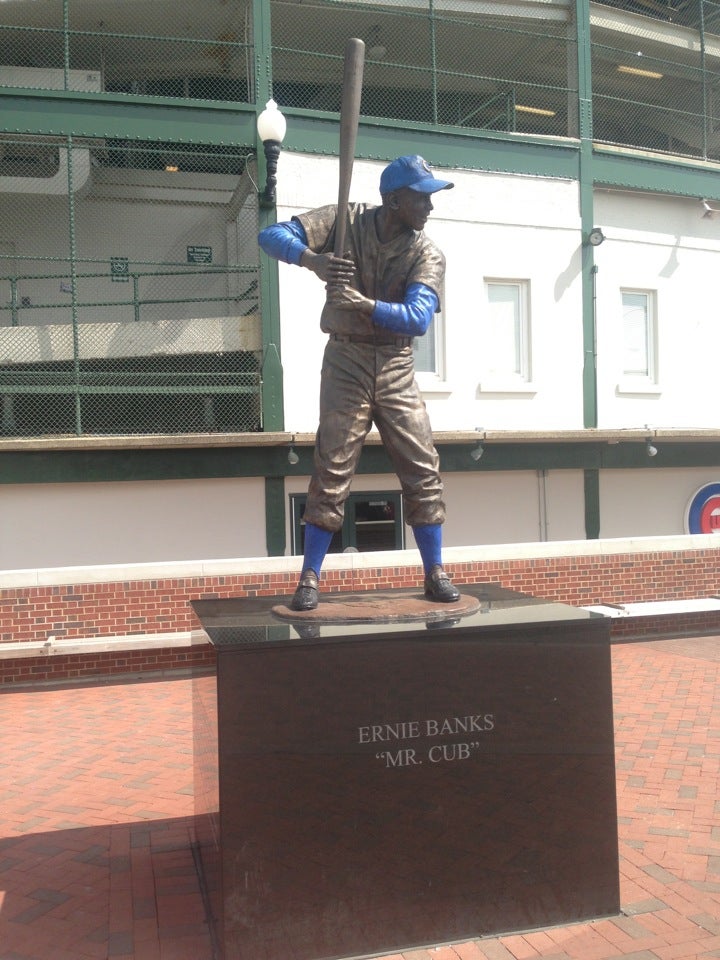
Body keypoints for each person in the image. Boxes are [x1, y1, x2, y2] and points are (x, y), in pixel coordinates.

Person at [258, 154, 459, 611]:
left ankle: (435, 571)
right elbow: (269, 236)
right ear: (394, 200)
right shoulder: (344, 221)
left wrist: (363, 303)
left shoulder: (427, 252)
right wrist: (314, 260)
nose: (430, 206)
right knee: (332, 468)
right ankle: (309, 576)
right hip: (345, 358)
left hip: (395, 363)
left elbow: (418, 319)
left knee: (422, 467)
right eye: (422, 196)